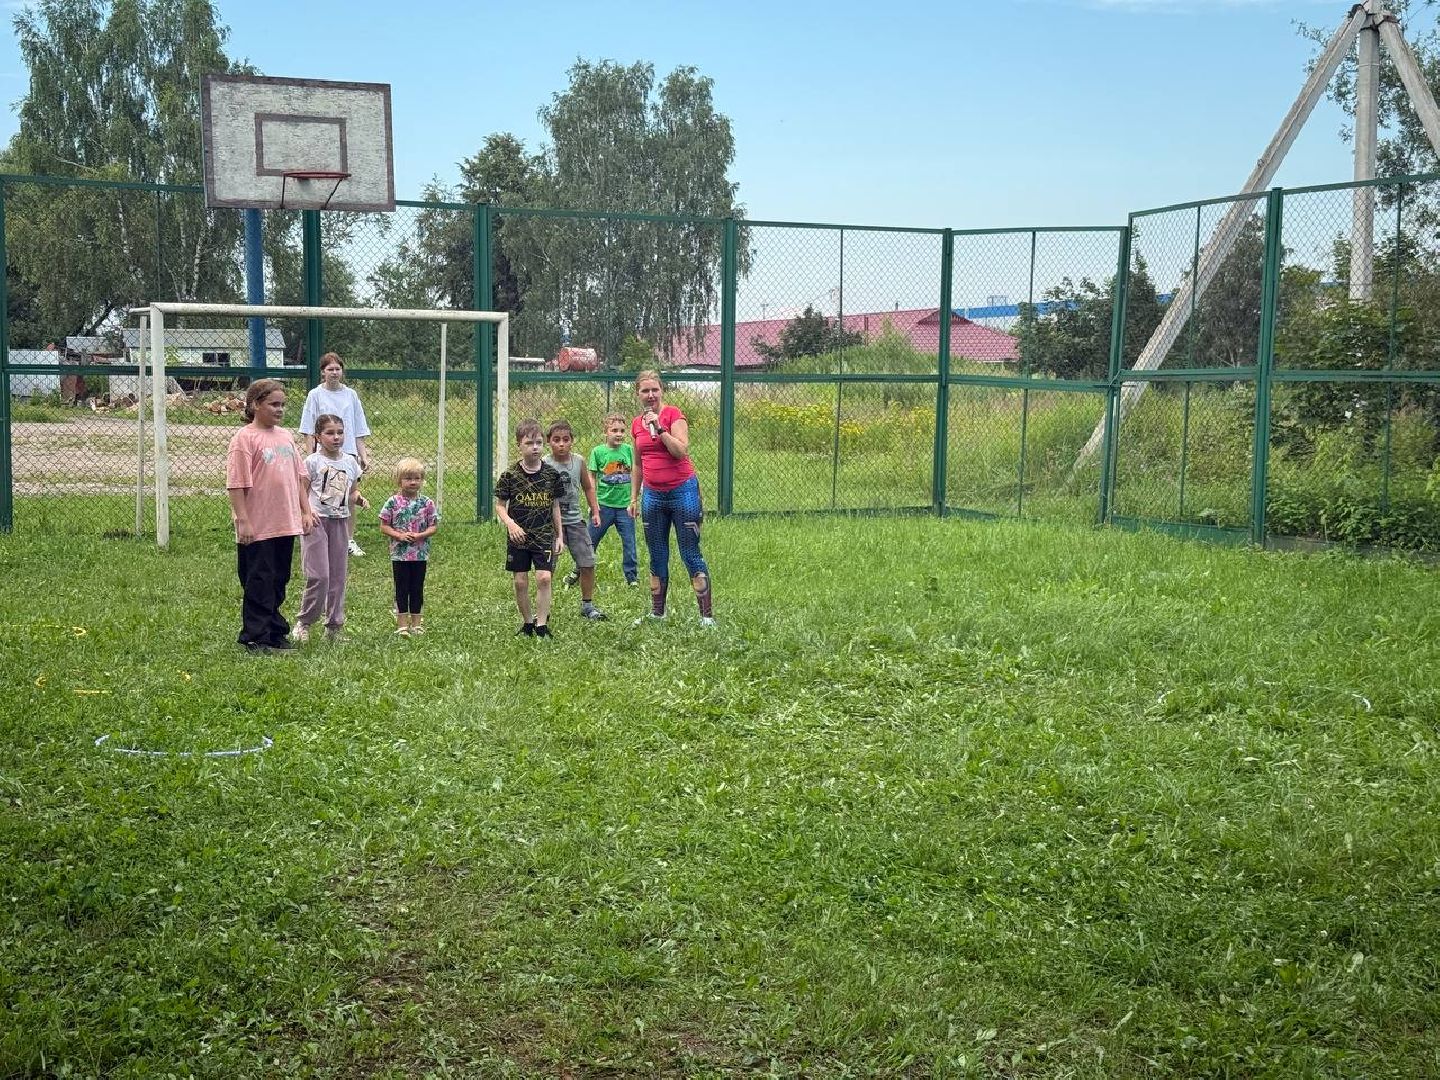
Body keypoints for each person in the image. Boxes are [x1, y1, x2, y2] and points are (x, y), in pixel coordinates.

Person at [226, 378, 315, 652]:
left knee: (278, 579)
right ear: (255, 405)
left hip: (284, 523)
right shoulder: (244, 439)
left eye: (283, 405)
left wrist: (305, 511)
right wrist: (243, 520)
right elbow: (236, 484)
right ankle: (256, 636)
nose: (280, 409)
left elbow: (299, 478)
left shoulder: (285, 436)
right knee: (259, 580)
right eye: (274, 404)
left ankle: (275, 631)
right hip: (258, 526)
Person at [629, 370, 715, 627]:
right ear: (638, 394)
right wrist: (633, 498)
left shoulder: (673, 415)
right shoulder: (636, 424)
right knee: (657, 554)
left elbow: (680, 451)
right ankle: (658, 613)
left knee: (690, 553)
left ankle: (706, 617)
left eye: (654, 390)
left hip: (682, 492)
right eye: (645, 391)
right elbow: (638, 465)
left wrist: (660, 428)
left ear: (662, 390)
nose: (650, 395)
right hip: (653, 495)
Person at [293, 414, 366, 643]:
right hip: (317, 523)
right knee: (319, 576)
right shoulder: (312, 462)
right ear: (318, 436)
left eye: (340, 433)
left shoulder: (350, 463)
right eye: (330, 433)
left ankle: (334, 627)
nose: (336, 437)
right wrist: (305, 513)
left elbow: (352, 491)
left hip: (340, 522)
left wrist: (358, 498)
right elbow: (301, 491)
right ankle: (304, 622)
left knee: (337, 577)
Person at [495, 419, 565, 637]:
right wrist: (510, 524)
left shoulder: (551, 475)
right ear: (519, 445)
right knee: (520, 581)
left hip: (543, 534)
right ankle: (527, 623)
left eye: (538, 443)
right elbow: (500, 506)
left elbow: (555, 506)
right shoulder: (510, 475)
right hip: (519, 537)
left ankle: (541, 625)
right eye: (529, 443)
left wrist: (560, 536)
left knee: (544, 578)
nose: (535, 447)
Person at [299, 352, 371, 557]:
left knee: (348, 497)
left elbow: (358, 427)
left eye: (337, 369)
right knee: (321, 495)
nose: (334, 372)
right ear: (323, 372)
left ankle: (348, 539)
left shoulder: (351, 395)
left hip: (347, 454)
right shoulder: (315, 395)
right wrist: (311, 455)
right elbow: (308, 428)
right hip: (323, 455)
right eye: (330, 369)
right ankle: (316, 531)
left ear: (342, 371)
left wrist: (363, 455)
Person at [544, 419, 606, 621]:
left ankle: (587, 606)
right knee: (547, 567)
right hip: (550, 524)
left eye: (566, 439)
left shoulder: (578, 461)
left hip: (575, 521)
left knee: (587, 563)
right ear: (548, 441)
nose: (561, 444)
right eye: (556, 440)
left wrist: (595, 511)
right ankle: (543, 608)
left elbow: (588, 487)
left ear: (572, 440)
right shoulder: (544, 463)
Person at [569, 412, 638, 588]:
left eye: (622, 430)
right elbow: (591, 478)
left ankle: (632, 577)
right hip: (603, 507)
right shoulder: (598, 452)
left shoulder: (629, 450)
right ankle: (579, 569)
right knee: (590, 541)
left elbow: (635, 473)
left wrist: (633, 500)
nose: (618, 434)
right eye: (614, 430)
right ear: (605, 432)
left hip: (624, 507)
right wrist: (594, 504)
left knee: (630, 543)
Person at [378, 458, 439, 636]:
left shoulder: (427, 503)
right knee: (402, 587)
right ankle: (402, 625)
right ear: (399, 480)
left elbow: (433, 526)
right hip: (400, 554)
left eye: (417, 478)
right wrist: (399, 536)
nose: (413, 482)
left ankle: (417, 623)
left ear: (422, 480)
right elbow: (384, 526)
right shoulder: (392, 502)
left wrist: (420, 535)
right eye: (408, 478)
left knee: (417, 587)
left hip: (420, 554)